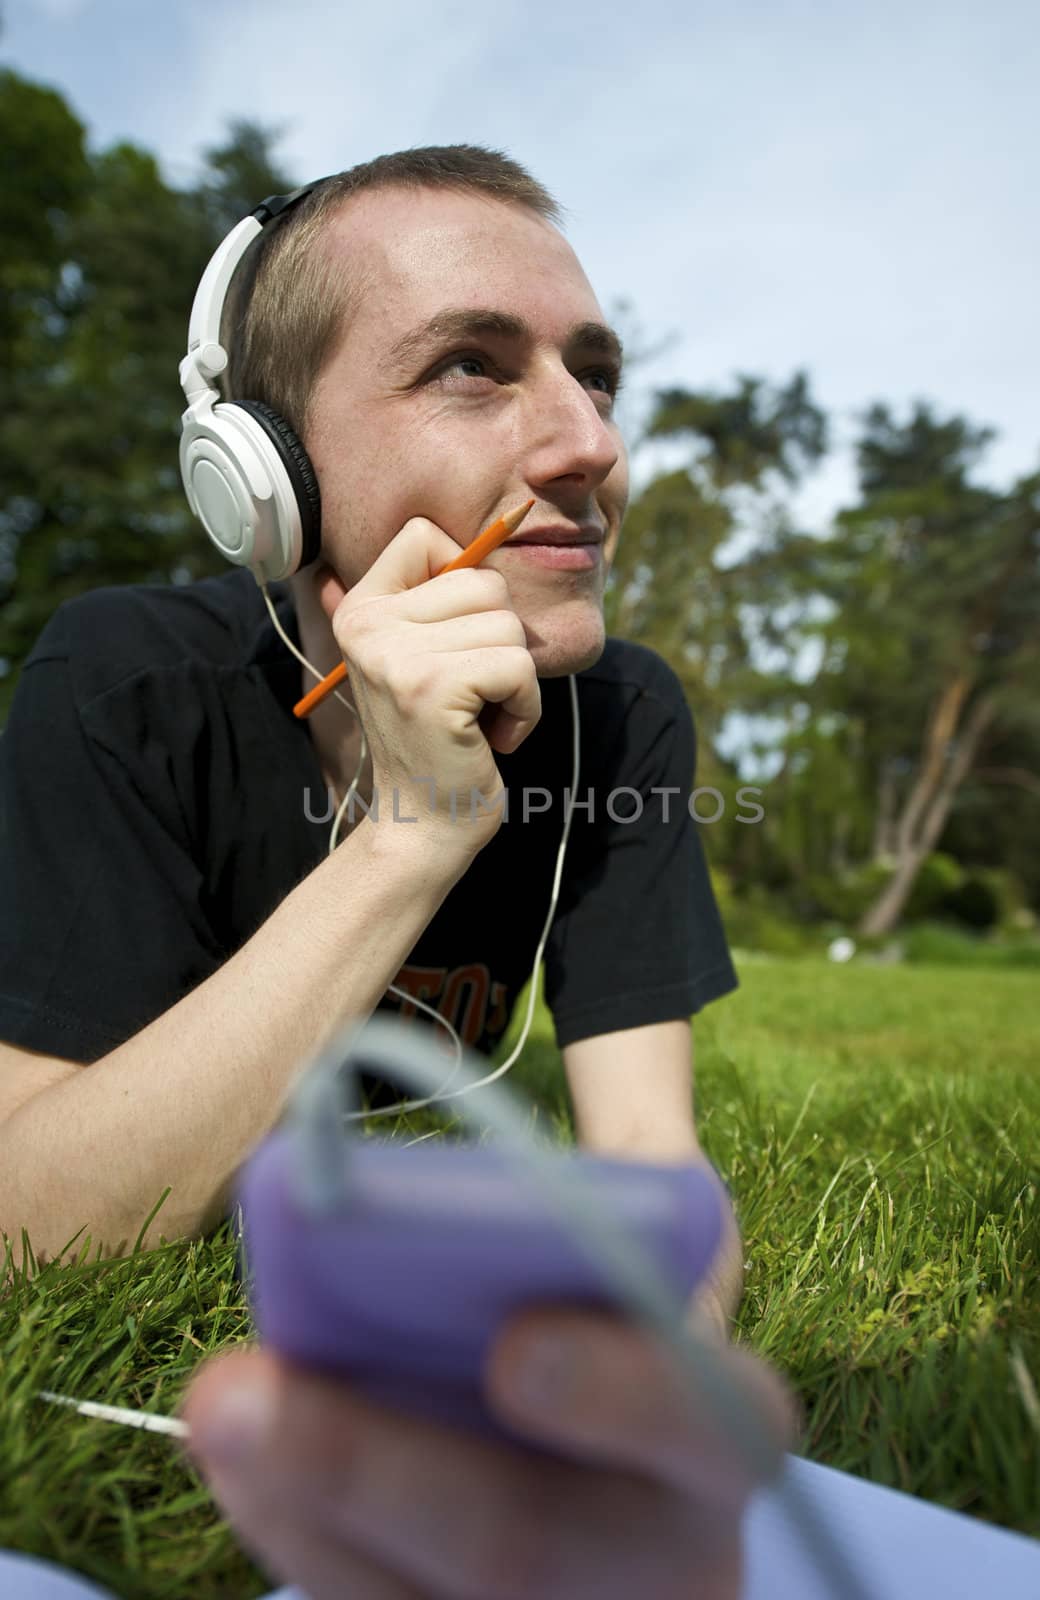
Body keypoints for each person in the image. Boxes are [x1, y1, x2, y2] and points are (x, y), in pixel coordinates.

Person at [0, 144, 794, 1594]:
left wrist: (616, 1398)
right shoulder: (122, 686)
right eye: (474, 369)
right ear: (267, 475)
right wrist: (411, 840)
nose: (591, 445)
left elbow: (646, 1159)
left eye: (594, 374)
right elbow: (25, 1230)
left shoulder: (622, 711)